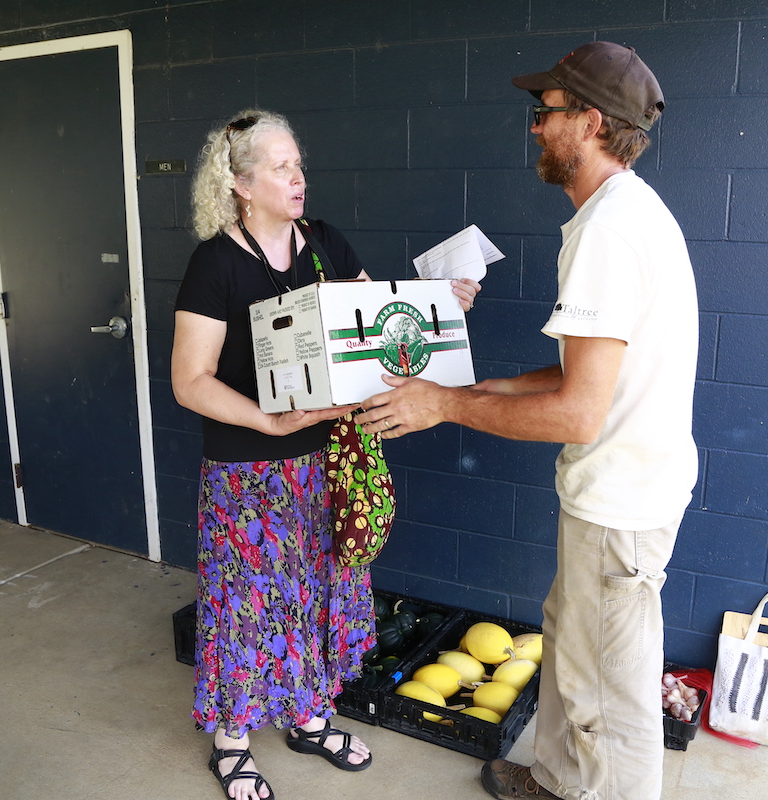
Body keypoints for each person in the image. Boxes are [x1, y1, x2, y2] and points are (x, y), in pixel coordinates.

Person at [355, 43, 698, 800]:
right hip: (618, 491)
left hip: (622, 502)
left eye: (544, 114)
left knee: (614, 693)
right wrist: (491, 386)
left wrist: (442, 404)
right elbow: (591, 373)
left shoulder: (608, 231)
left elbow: (578, 411)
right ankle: (556, 781)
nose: (535, 129)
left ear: (591, 121)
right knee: (575, 652)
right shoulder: (621, 213)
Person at [171, 109, 480, 800]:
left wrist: (445, 305)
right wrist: (266, 422)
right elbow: (189, 381)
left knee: (319, 593)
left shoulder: (325, 244)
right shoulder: (215, 263)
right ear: (241, 183)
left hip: (330, 461)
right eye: (281, 167)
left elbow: (379, 324)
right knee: (248, 605)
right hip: (246, 471)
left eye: (299, 165)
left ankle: (310, 719)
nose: (298, 178)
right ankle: (232, 743)